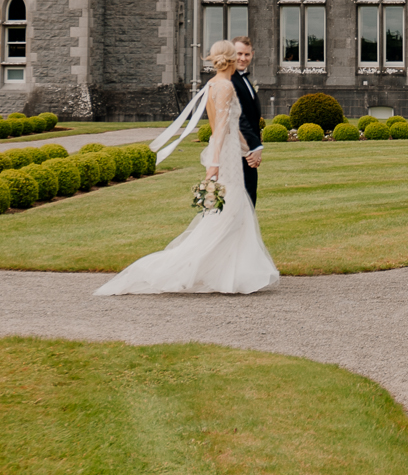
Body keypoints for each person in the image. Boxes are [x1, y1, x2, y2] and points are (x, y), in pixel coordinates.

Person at [94, 41, 280, 296]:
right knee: (232, 211)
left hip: (231, 151)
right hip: (225, 156)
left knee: (234, 212)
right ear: (230, 59)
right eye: (237, 55)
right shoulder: (225, 86)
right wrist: (214, 164)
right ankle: (189, 267)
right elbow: (222, 128)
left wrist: (249, 149)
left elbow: (231, 128)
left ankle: (230, 273)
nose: (242, 59)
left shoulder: (213, 84)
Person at [232, 35, 264, 204]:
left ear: (252, 54)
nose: (242, 58)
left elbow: (252, 117)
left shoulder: (244, 80)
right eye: (238, 54)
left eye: (246, 54)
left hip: (248, 151)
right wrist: (254, 147)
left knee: (249, 199)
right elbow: (239, 118)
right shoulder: (230, 80)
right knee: (242, 201)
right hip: (239, 151)